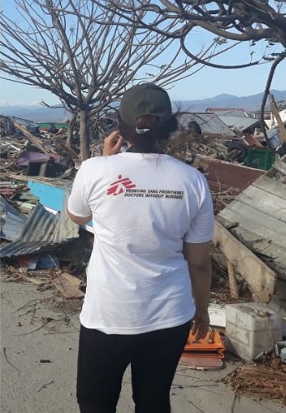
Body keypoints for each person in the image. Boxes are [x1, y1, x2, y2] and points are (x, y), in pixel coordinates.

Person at [66, 83, 213, 413]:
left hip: (108, 315)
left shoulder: (94, 169)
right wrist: (201, 310)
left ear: (120, 125)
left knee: (95, 403)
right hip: (170, 316)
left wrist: (105, 161)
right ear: (170, 125)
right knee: (153, 401)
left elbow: (78, 215)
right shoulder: (193, 181)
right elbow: (200, 262)